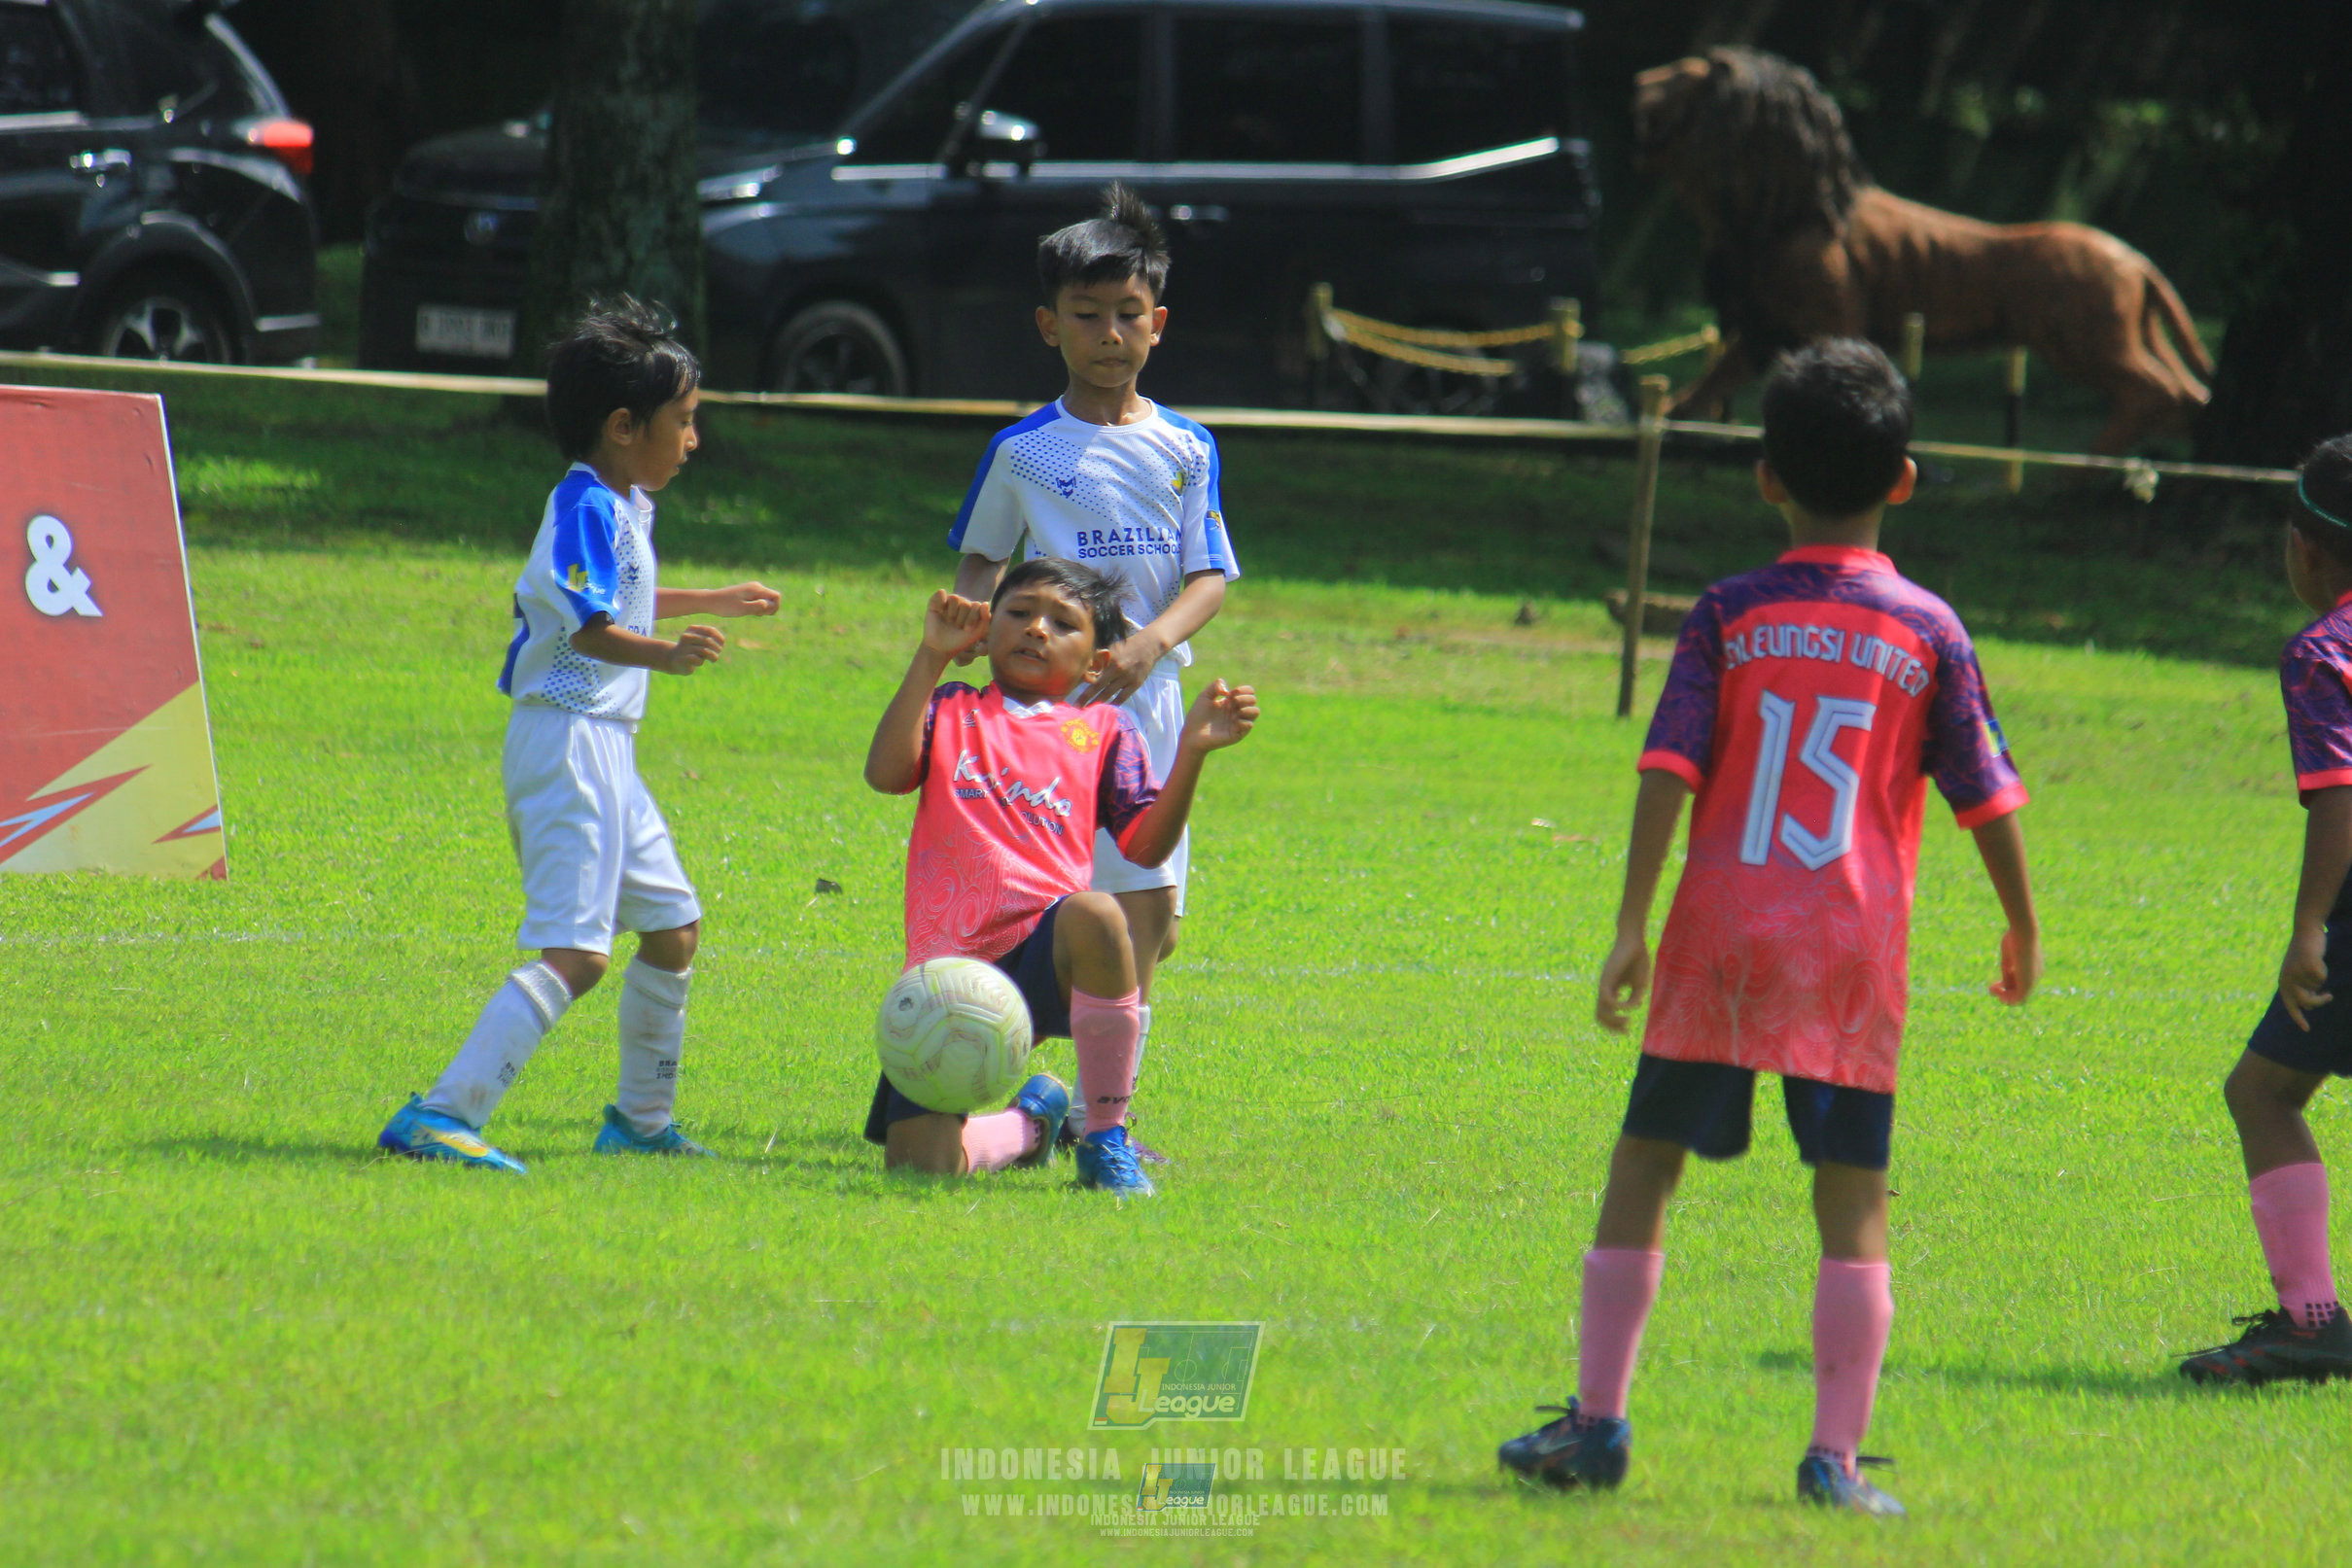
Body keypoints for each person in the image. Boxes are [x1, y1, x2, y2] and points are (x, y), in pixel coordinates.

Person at [1496, 340, 2041, 1516]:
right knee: (1851, 1195)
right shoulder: (1928, 630)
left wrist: (1631, 922)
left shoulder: (1728, 613)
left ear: (1763, 477)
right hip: (1848, 950)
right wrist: (2021, 924)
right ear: (1903, 478)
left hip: (1720, 937)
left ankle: (1595, 1424)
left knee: (1644, 1164)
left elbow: (1667, 767)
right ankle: (1833, 1459)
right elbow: (1982, 792)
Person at [377, 299, 779, 1172]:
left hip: (606, 748)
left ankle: (639, 1122)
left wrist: (708, 600)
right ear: (623, 426)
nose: (694, 439)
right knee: (577, 952)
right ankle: (441, 1114)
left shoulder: (624, 501)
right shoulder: (584, 509)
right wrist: (669, 656)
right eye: (685, 421)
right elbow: (594, 629)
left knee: (674, 926)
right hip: (565, 741)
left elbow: (618, 599)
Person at [948, 184, 1242, 1159]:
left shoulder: (1186, 446)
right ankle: (1040, 1093)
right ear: (1048, 325)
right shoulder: (1026, 451)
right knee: (1057, 903)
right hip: (1049, 717)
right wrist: (972, 623)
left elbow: (1209, 576)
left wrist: (1151, 642)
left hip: (1147, 706)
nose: (1109, 332)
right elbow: (983, 561)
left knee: (1151, 916)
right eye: (1086, 314)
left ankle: (1094, 1106)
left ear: (1158, 324)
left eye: (1128, 314)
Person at [862, 558, 1257, 1195]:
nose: (1036, 629)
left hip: (1043, 950)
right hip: (950, 978)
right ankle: (1029, 1125)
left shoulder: (1103, 731)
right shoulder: (951, 709)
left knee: (1098, 910)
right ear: (987, 628)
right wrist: (931, 655)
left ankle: (1104, 1136)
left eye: (1062, 622)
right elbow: (885, 773)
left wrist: (1189, 753)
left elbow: (1147, 845)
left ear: (1095, 661)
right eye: (1018, 613)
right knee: (921, 1169)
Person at [2180, 434, 2352, 1386]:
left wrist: (2308, 930)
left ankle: (2310, 1318)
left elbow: (2339, 794)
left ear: (2304, 546)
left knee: (2262, 1093)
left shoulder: (2324, 650)